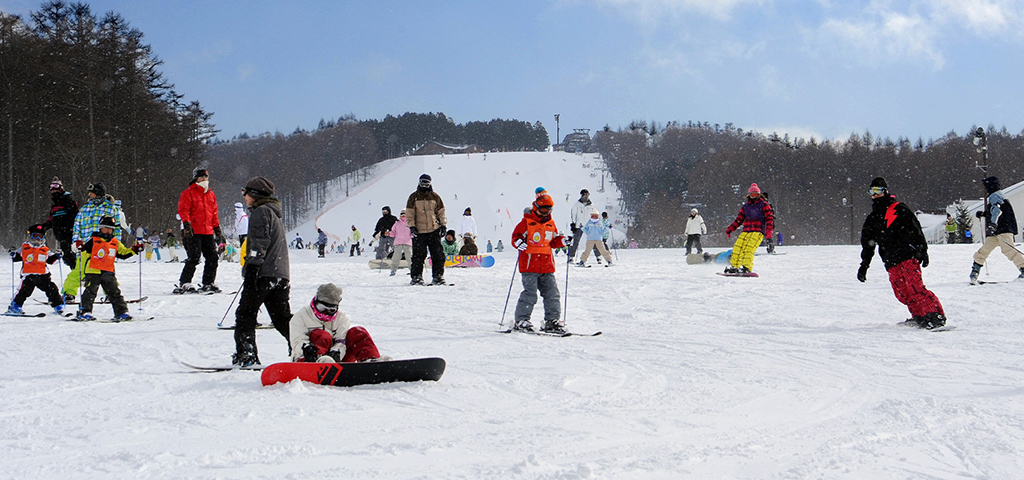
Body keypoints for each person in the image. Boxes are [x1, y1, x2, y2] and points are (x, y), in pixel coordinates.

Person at [858, 177, 946, 329]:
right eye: (872, 192)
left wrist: (922, 250)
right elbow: (868, 244)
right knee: (902, 293)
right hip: (890, 261)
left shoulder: (899, 209)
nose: (875, 195)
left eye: (878, 191)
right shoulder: (872, 219)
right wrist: (864, 265)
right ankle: (919, 315)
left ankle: (934, 315)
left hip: (907, 256)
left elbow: (915, 229)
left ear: (885, 191)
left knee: (915, 288)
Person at [232, 176, 291, 367]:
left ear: (255, 194)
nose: (244, 197)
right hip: (280, 275)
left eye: (246, 193)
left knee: (245, 314)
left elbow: (258, 243)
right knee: (282, 319)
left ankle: (246, 355)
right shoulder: (274, 213)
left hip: (263, 274)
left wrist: (252, 268)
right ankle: (305, 347)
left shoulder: (261, 212)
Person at [511, 188, 567, 333]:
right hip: (529, 265)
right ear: (536, 207)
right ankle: (522, 319)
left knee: (552, 294)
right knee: (529, 294)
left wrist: (563, 241)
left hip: (547, 266)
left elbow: (553, 242)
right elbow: (516, 236)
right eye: (543, 209)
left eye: (549, 209)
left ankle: (552, 320)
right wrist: (517, 242)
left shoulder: (550, 223)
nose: (547, 212)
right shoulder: (526, 222)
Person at [289, 283, 389, 363]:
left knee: (357, 332)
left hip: (338, 360)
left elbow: (341, 341)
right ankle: (320, 362)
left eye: (331, 310)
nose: (325, 313)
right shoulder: (301, 316)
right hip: (308, 359)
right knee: (321, 334)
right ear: (315, 302)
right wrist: (307, 349)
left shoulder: (341, 318)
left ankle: (370, 360)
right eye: (322, 308)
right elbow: (297, 341)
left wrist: (337, 351)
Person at [75, 216, 144, 321]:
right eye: (106, 228)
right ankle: (84, 311)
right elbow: (85, 253)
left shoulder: (115, 242)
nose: (108, 231)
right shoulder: (94, 240)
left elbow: (123, 253)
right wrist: (80, 247)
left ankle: (121, 312)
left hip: (108, 272)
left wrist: (134, 250)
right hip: (93, 271)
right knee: (90, 292)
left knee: (114, 293)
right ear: (100, 228)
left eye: (110, 229)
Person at [64, 182, 121, 303]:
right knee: (79, 271)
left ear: (99, 194)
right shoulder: (85, 209)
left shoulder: (111, 209)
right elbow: (77, 226)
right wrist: (75, 241)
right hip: (86, 247)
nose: (90, 195)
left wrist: (116, 245)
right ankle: (69, 293)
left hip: (104, 248)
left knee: (108, 273)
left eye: (92, 193)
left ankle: (111, 293)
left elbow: (117, 229)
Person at [175, 168, 225, 294]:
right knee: (194, 257)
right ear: (196, 178)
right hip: (193, 230)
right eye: (201, 177)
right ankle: (185, 282)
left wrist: (217, 230)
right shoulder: (188, 193)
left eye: (206, 177)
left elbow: (214, 213)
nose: (204, 179)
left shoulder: (211, 194)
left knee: (212, 257)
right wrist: (187, 224)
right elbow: (183, 210)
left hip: (207, 231)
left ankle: (208, 282)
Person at [969, 176, 1024, 284]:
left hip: (1002, 228)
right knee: (987, 249)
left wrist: (993, 224)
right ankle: (975, 271)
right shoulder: (999, 195)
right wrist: (985, 214)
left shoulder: (995, 196)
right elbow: (996, 210)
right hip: (999, 229)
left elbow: (997, 211)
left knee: (1008, 249)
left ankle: (975, 271)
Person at [7, 224, 65, 315]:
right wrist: (13, 253)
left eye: (40, 236)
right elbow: (16, 257)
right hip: (28, 275)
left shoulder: (45, 249)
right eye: (35, 236)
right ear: (30, 236)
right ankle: (15, 306)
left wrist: (57, 256)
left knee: (52, 289)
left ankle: (58, 306)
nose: (37, 239)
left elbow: (51, 260)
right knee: (24, 291)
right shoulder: (25, 247)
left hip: (43, 276)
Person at [405, 173, 447, 285]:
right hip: (419, 231)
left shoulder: (435, 197)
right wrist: (412, 226)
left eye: (426, 183)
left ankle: (438, 276)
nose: (424, 186)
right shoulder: (413, 197)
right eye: (422, 183)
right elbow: (409, 213)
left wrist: (443, 225)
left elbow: (441, 212)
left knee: (438, 254)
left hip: (434, 230)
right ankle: (416, 277)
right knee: (418, 255)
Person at [724, 183, 774, 274]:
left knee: (748, 249)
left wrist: (769, 231)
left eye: (755, 194)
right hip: (746, 230)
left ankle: (747, 267)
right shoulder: (746, 207)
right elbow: (739, 220)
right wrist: (730, 229)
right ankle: (735, 266)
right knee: (737, 248)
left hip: (757, 231)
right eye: (752, 194)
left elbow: (769, 218)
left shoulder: (764, 205)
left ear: (759, 195)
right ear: (749, 195)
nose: (753, 196)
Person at [41, 176, 78, 269]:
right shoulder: (55, 204)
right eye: (51, 187)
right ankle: (76, 273)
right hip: (61, 235)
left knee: (70, 256)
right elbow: (51, 219)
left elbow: (75, 216)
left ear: (61, 188)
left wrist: (70, 228)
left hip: (69, 234)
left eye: (56, 186)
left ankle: (79, 274)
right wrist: (42, 227)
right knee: (67, 257)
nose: (54, 190)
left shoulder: (67, 200)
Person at [568, 189, 592, 261]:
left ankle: (598, 256)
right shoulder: (577, 205)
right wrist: (573, 224)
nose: (585, 196)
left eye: (586, 195)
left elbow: (594, 214)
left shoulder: (591, 205)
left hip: (588, 225)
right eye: (584, 195)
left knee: (593, 240)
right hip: (579, 225)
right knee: (576, 241)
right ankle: (571, 256)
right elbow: (573, 214)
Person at [389, 211, 414, 277]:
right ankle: (393, 270)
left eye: (404, 214)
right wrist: (388, 233)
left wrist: (413, 235)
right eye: (401, 214)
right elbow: (393, 232)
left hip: (407, 242)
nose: (403, 216)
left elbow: (412, 232)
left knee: (409, 257)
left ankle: (412, 270)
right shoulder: (397, 223)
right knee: (396, 257)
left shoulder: (409, 222)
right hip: (398, 242)